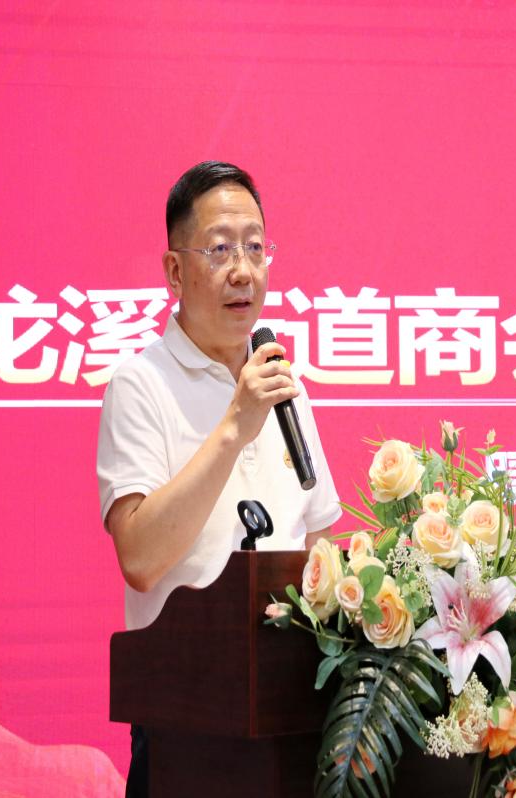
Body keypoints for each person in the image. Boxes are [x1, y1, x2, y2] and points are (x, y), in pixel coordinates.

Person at [96, 161, 342, 795]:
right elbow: (140, 558)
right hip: (185, 727)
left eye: (255, 247)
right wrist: (235, 424)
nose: (243, 270)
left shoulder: (283, 383)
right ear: (175, 270)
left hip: (288, 720)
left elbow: (320, 546)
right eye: (220, 249)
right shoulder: (141, 385)